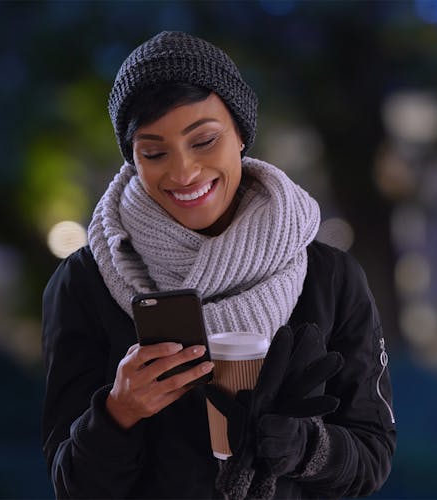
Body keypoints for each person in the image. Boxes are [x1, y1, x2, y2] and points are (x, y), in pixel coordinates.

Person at [41, 31, 396, 499]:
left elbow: (373, 456)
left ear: (242, 134)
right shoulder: (86, 282)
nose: (183, 172)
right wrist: (119, 411)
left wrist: (303, 446)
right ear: (132, 158)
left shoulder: (328, 278)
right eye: (154, 152)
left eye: (204, 140)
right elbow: (72, 486)